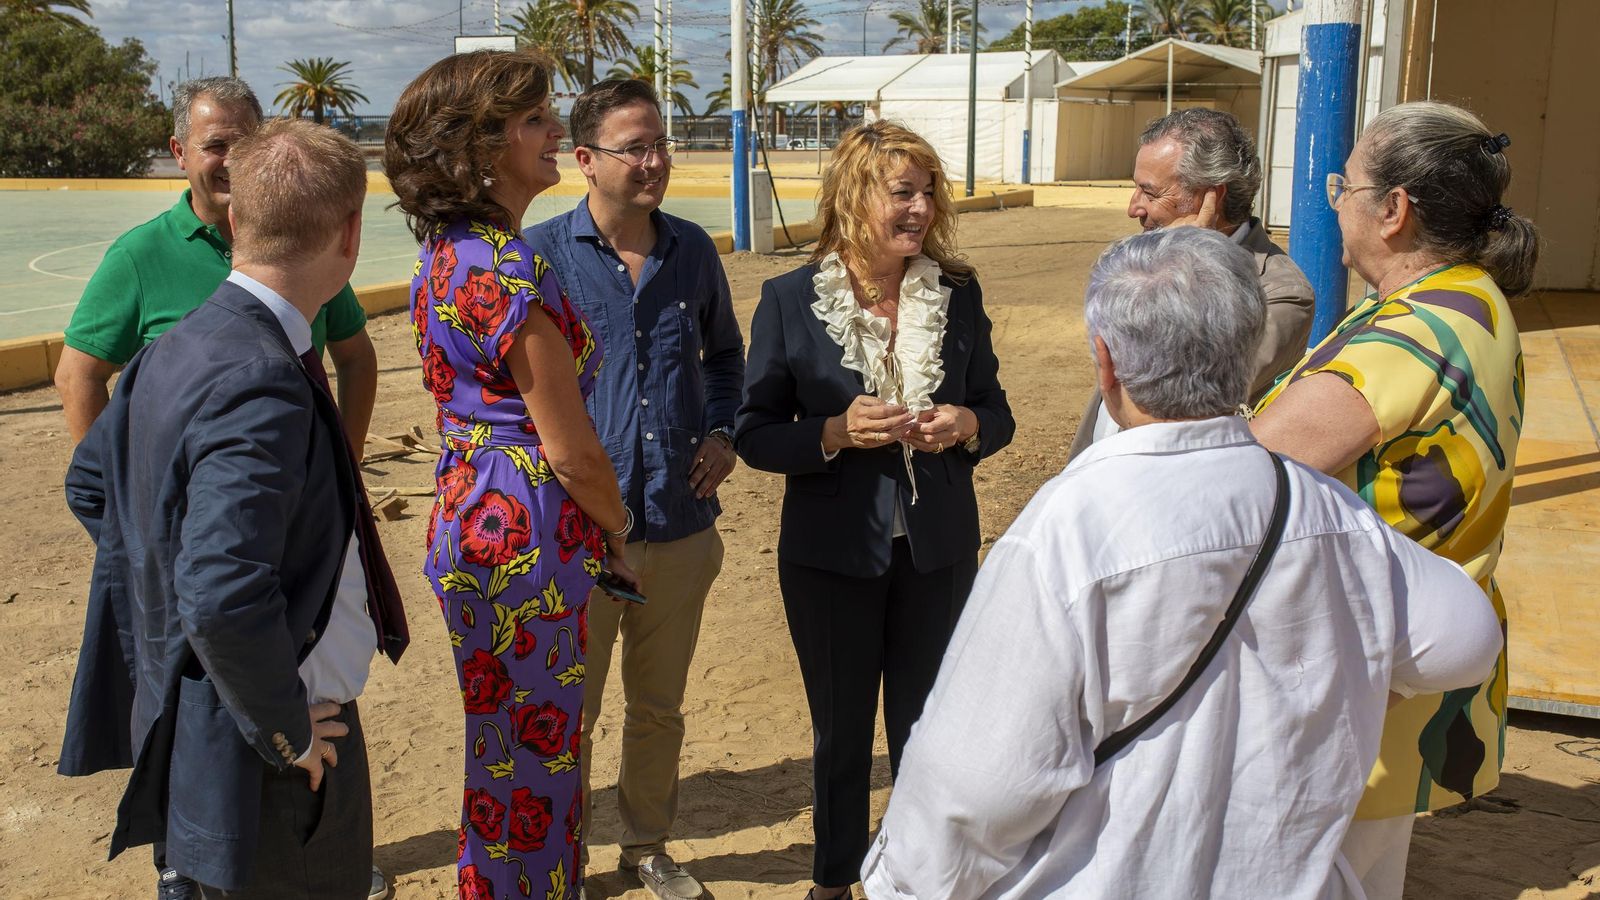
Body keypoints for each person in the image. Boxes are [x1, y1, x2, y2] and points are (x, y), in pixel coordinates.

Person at [860, 226, 1504, 899]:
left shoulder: (1067, 530)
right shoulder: (1322, 508)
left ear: (1105, 362)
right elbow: (1466, 639)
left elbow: (975, 789)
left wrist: (899, 884)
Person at [58, 119, 410, 898]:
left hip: (212, 719)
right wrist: (281, 721)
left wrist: (167, 607)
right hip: (273, 752)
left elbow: (93, 483)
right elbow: (220, 590)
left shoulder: (181, 342)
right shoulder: (261, 378)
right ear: (350, 233)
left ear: (239, 220)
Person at [1251, 100, 1538, 899]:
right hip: (1407, 661)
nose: (1335, 200)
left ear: (1394, 210)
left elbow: (1243, 472)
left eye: (1344, 184)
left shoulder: (1407, 338)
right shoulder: (1470, 296)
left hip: (1355, 677)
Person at [735, 121, 1015, 899]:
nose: (921, 207)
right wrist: (830, 431)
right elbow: (753, 434)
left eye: (929, 192)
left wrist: (967, 427)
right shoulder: (790, 300)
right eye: (903, 192)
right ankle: (834, 881)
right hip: (830, 556)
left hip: (940, 550)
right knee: (842, 734)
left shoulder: (958, 292)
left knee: (930, 731)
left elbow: (997, 411)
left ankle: (919, 874)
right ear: (855, 197)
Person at [386, 50, 637, 900]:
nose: (553, 133)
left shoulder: (449, 255)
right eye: (533, 121)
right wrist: (618, 530)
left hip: (473, 513)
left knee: (504, 750)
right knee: (536, 755)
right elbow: (570, 449)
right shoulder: (505, 266)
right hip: (526, 530)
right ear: (477, 147)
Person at [524, 79, 744, 900]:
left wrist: (724, 435)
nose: (654, 161)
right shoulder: (539, 257)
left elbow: (726, 357)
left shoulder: (693, 251)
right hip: (579, 535)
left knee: (659, 708)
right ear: (584, 160)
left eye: (660, 143)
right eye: (634, 147)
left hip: (680, 527)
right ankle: (565, 862)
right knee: (567, 716)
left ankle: (646, 847)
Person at [54, 76, 378, 452]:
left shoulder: (299, 237)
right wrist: (111, 491)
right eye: (215, 145)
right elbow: (77, 377)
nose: (232, 160)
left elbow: (355, 357)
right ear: (179, 152)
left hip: (299, 490)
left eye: (245, 144)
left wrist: (345, 463)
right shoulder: (139, 256)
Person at [1069, 107, 1313, 460]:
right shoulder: (1137, 258)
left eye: (1149, 193)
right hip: (1099, 470)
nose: (1133, 208)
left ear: (1210, 197)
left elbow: (1185, 397)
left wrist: (1190, 257)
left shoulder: (1281, 292)